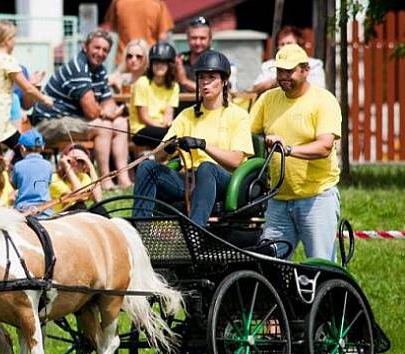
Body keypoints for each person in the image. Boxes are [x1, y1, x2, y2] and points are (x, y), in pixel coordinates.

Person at [133, 50, 254, 227]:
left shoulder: (238, 115)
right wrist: (169, 147)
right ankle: (140, 229)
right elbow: (158, 157)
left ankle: (195, 230)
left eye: (211, 77)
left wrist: (203, 145)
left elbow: (235, 161)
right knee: (147, 167)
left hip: (224, 180)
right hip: (189, 180)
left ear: (224, 81)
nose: (205, 82)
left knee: (207, 168)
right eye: (201, 77)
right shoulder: (186, 115)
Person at [251, 44, 341, 261]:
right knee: (270, 265)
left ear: (305, 70)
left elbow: (324, 146)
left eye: (289, 71)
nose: (283, 77)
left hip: (316, 197)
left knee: (321, 267)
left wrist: (287, 150)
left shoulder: (323, 100)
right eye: (279, 71)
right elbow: (245, 133)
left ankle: (327, 296)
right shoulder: (268, 99)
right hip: (278, 199)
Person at [31, 29, 131, 190]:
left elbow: (108, 102)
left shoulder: (100, 70)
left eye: (105, 50)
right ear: (85, 47)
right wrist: (107, 113)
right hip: (48, 122)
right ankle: (104, 180)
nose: (100, 53)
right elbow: (91, 111)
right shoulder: (78, 67)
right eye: (96, 48)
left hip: (72, 119)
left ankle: (123, 179)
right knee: (103, 126)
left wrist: (111, 113)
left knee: (120, 123)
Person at [0, 20, 53, 148]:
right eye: (14, 38)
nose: (15, 42)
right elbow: (28, 89)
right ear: (8, 40)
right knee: (23, 150)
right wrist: (44, 99)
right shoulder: (8, 61)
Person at [129, 42, 179, 149]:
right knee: (170, 137)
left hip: (161, 129)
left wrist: (168, 125)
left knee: (179, 136)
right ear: (151, 64)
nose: (159, 66)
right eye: (156, 62)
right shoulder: (142, 83)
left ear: (170, 65)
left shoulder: (174, 86)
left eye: (163, 62)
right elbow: (144, 117)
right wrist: (165, 128)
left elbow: (168, 115)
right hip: (140, 129)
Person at [251, 25, 325, 95]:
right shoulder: (269, 65)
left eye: (289, 43)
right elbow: (255, 89)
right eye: (282, 44)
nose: (285, 47)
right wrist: (278, 81)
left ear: (299, 45)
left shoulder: (314, 64)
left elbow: (319, 89)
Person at [103, 0, 174, 65]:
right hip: (147, 59)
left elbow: (112, 28)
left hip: (125, 59)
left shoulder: (118, 2)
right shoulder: (157, 3)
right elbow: (163, 37)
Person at [50, 143, 102, 213]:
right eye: (71, 160)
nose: (75, 163)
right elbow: (79, 196)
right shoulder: (55, 179)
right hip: (60, 217)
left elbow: (98, 199)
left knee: (98, 208)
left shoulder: (84, 177)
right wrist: (67, 167)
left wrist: (91, 167)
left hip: (77, 216)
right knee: (79, 205)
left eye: (80, 160)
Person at [12, 129, 52, 216]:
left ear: (22, 148)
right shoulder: (48, 165)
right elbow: (48, 183)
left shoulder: (18, 165)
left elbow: (15, 185)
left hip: (23, 210)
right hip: (45, 209)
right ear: (42, 147)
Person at [176, 16, 212, 93]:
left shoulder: (216, 61)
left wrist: (185, 81)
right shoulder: (179, 59)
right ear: (187, 38)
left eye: (202, 38)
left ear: (210, 39)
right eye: (194, 38)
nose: (197, 43)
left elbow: (221, 91)